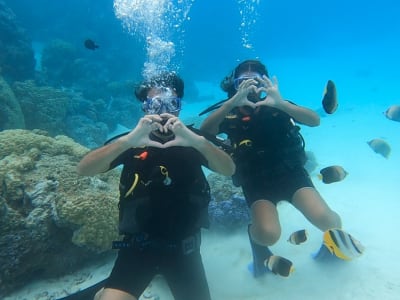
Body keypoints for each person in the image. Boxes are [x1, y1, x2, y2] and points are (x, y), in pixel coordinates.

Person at [77, 71, 235, 300]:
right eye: (155, 104)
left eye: (172, 103)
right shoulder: (130, 141)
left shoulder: (195, 140)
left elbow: (229, 170)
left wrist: (197, 142)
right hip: (137, 247)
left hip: (184, 248)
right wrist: (127, 141)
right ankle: (107, 291)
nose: (164, 112)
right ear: (145, 107)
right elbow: (84, 169)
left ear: (180, 105)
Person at [200, 59, 342, 277]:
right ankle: (258, 247)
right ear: (235, 85)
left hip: (290, 174)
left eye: (255, 81)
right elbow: (206, 131)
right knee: (268, 234)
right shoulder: (229, 112)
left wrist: (281, 103)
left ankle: (331, 248)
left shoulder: (277, 105)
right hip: (255, 181)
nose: (249, 87)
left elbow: (315, 121)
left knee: (329, 221)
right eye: (242, 82)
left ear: (264, 83)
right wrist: (231, 104)